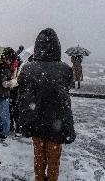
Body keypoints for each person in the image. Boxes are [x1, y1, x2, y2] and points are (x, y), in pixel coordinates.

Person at [18, 28, 76, 181]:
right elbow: (69, 85)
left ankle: (39, 178)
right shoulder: (65, 69)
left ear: (38, 46)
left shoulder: (28, 68)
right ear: (57, 47)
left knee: (39, 157)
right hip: (57, 121)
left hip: (35, 119)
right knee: (54, 160)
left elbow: (21, 84)